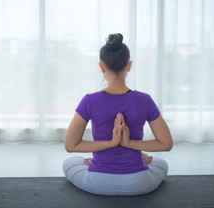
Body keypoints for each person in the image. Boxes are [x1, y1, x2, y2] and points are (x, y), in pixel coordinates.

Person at [62, 33, 173, 196]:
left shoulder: (89, 100)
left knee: (70, 162)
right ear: (129, 65)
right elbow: (166, 144)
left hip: (98, 183)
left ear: (101, 67)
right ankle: (141, 157)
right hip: (138, 183)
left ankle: (98, 160)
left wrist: (111, 143)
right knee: (161, 163)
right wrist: (129, 144)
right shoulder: (145, 100)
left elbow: (70, 146)